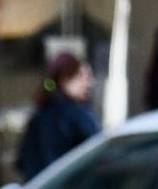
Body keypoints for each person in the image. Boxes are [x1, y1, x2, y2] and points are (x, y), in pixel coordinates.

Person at [17, 52, 100, 181]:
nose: (88, 83)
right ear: (64, 79)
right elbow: (98, 155)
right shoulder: (76, 115)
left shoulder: (40, 115)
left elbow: (22, 162)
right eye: (81, 77)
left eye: (88, 77)